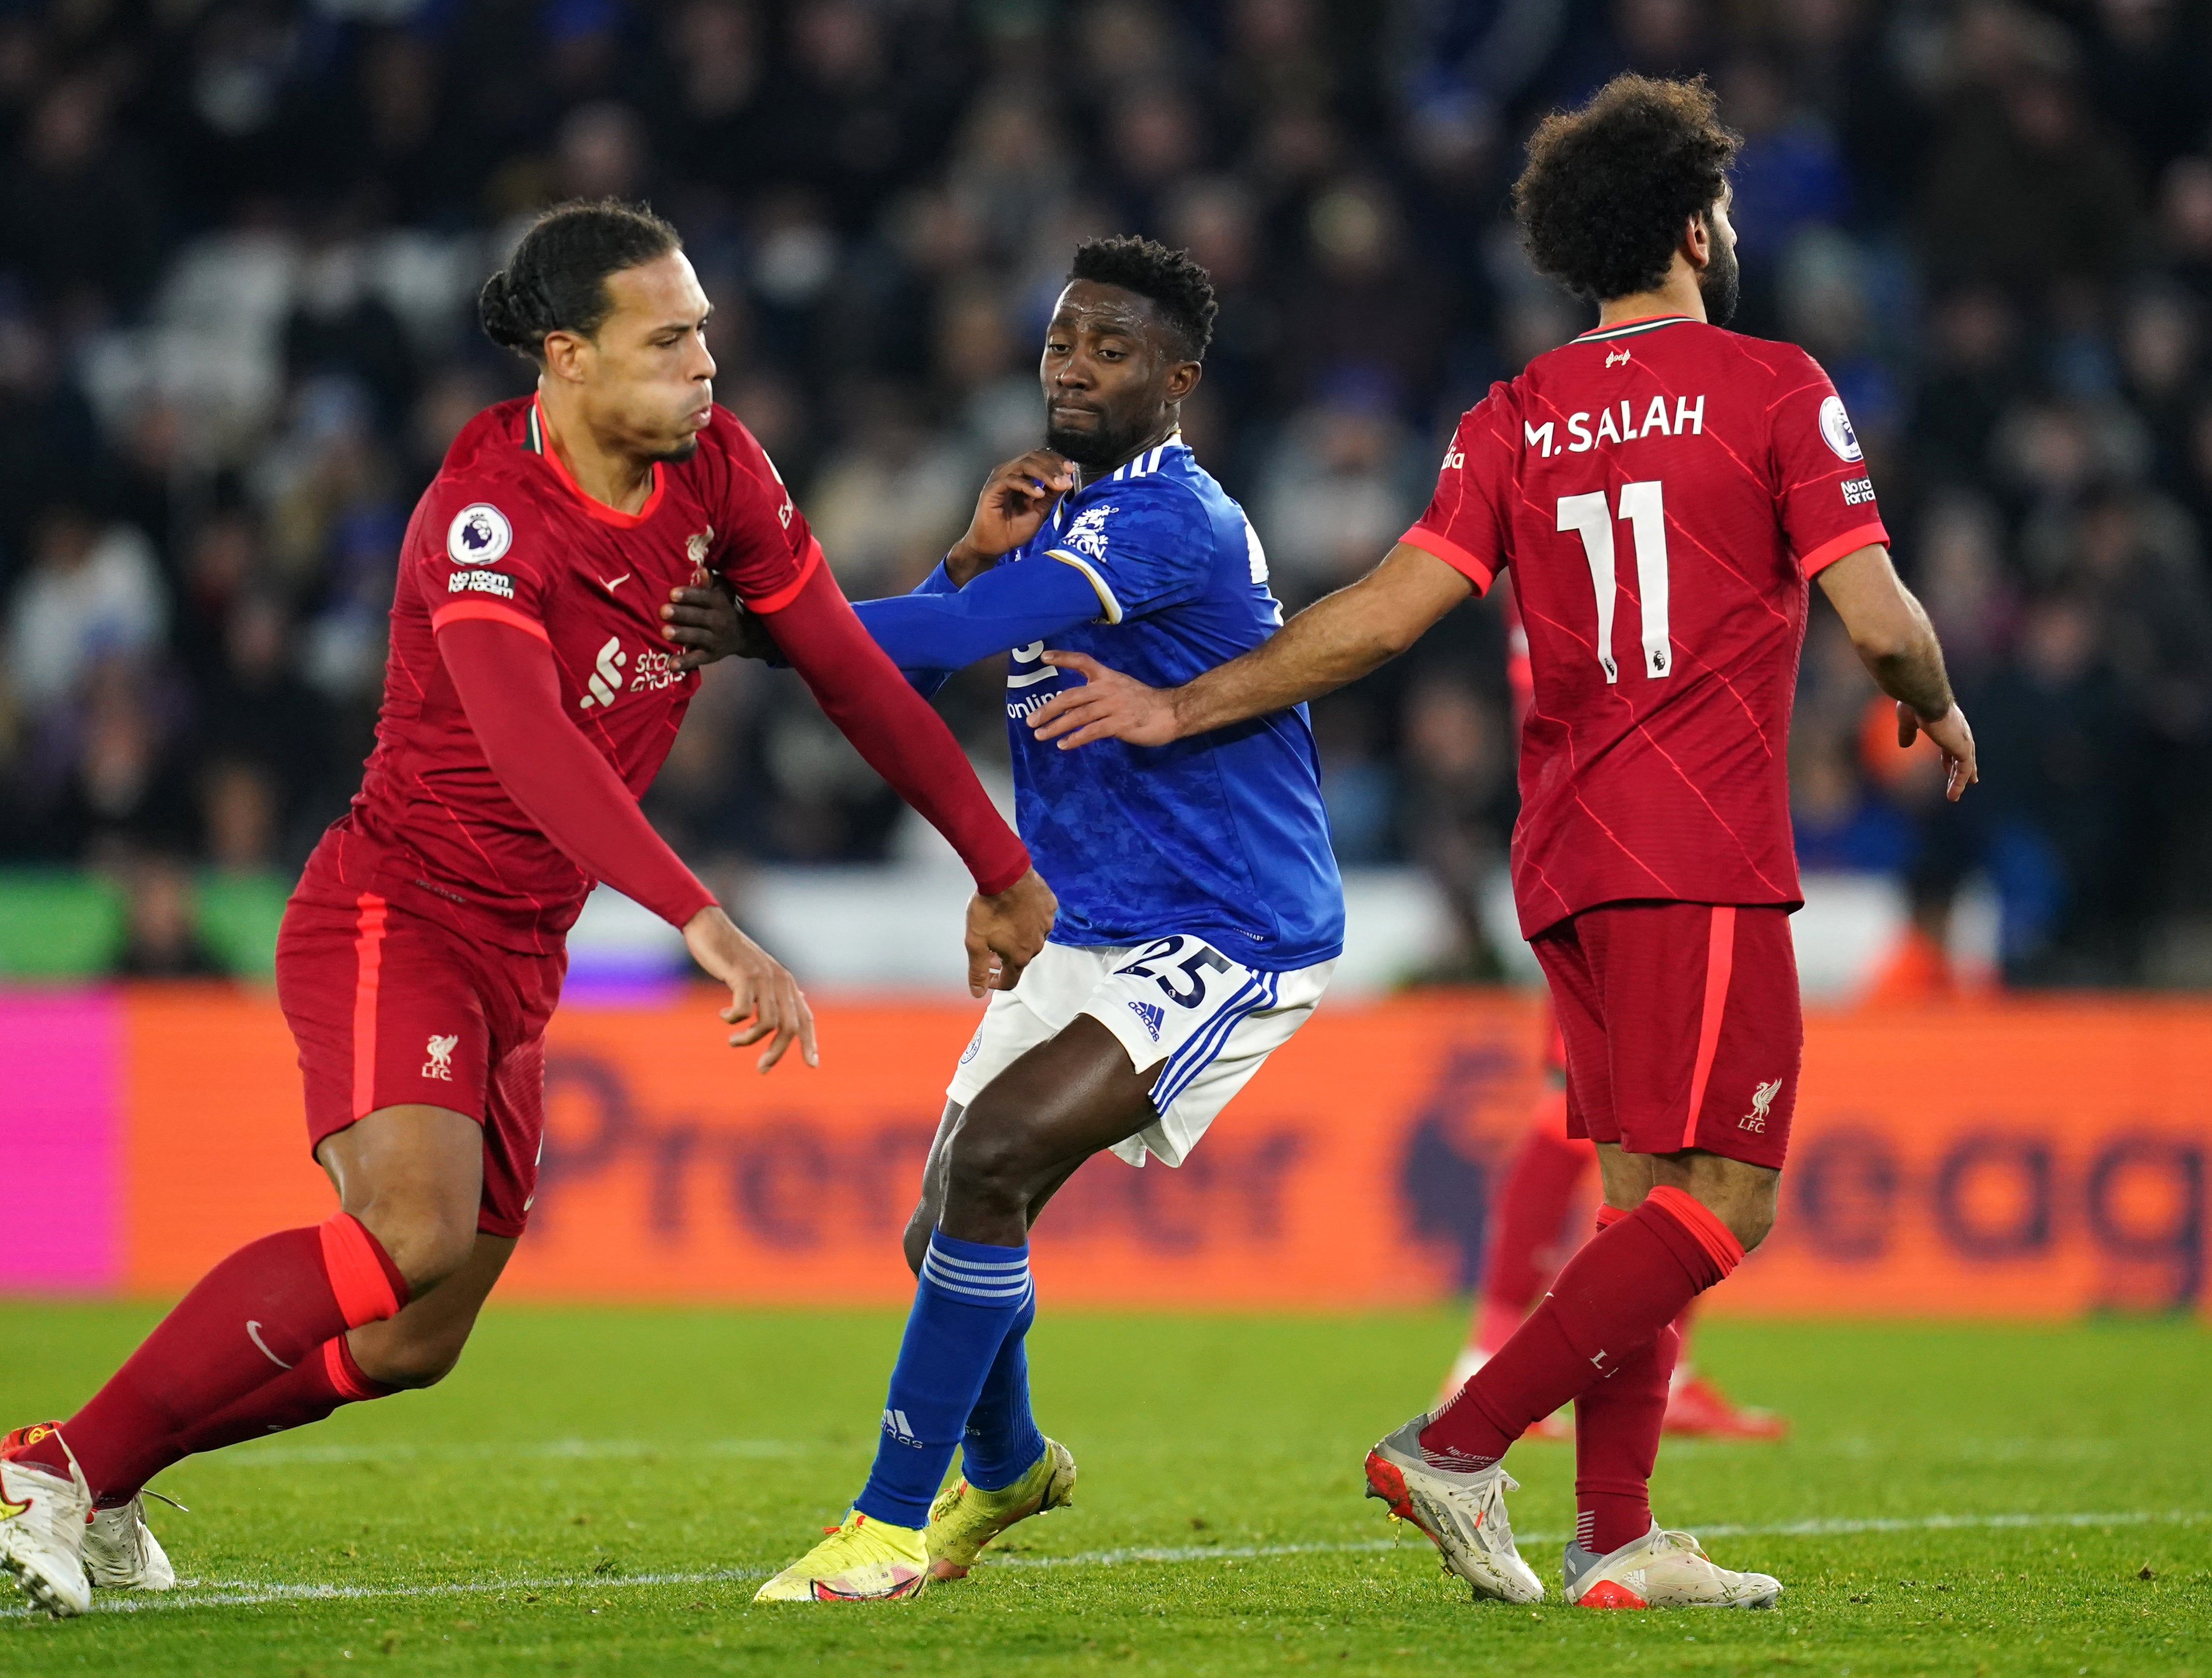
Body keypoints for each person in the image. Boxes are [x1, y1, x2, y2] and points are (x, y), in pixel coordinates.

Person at [0, 199, 1056, 1617]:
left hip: (520, 955)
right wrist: (699, 920)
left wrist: (999, 863)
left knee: (419, 1339)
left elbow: (842, 665)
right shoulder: (486, 512)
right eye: (669, 342)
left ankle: (104, 1480)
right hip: (396, 915)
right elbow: (535, 752)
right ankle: (50, 1466)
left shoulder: (719, 468)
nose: (706, 367)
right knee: (403, 1235)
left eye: (706, 334)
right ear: (568, 358)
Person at [1027, 77, 1976, 1611]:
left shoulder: (1514, 415)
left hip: (1567, 857)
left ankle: (1615, 1537)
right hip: (1701, 842)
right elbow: (1877, 618)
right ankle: (1459, 1442)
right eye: (1718, 208)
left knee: (1636, 1204)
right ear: (1690, 223)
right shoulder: (1773, 385)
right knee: (1725, 1205)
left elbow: (1382, 617)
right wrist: (1936, 703)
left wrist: (1179, 706)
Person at [671, 237, 1343, 1602]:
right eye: (1060, 342)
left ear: (1177, 378)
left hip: (1225, 927)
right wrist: (964, 557)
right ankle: (1016, 1464)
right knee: (943, 1231)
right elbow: (940, 629)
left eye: (1110, 349)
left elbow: (950, 645)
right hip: (1095, 920)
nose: (1074, 367)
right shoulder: (1070, 510)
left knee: (993, 1168)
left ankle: (884, 1527)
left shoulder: (1170, 519)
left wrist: (756, 626)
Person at [1445, 584, 1783, 1446]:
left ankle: (1664, 1372)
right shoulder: (1578, 571)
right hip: (1625, 849)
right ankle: (1486, 1363)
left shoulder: (1566, 541)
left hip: (1607, 843)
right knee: (1598, 1125)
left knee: (1663, 1134)